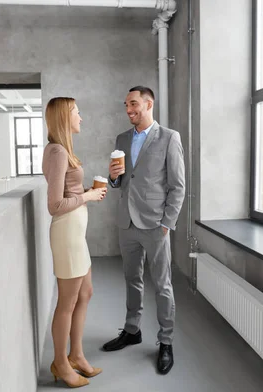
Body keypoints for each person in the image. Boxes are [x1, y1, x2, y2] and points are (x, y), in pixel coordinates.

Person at [102, 86, 185, 375]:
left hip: (155, 226)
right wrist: (114, 179)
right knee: (131, 279)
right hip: (127, 222)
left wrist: (166, 225)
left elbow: (177, 187)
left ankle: (165, 341)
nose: (129, 110)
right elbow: (121, 182)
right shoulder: (122, 138)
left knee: (162, 285)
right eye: (126, 105)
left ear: (148, 104)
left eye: (134, 104)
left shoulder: (169, 138)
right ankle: (132, 330)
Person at [43, 97, 107, 388]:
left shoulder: (64, 150)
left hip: (75, 233)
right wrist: (88, 197)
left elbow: (68, 192)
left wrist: (87, 191)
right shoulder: (57, 152)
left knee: (85, 293)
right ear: (64, 117)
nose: (81, 117)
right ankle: (59, 362)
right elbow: (55, 205)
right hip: (66, 233)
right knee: (67, 302)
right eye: (77, 113)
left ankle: (77, 356)